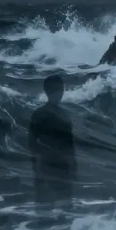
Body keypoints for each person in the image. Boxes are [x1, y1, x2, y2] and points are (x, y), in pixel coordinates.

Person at [28, 74, 76, 208]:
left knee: (55, 206)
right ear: (48, 91)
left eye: (61, 89)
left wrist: (73, 164)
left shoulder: (58, 114)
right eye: (58, 90)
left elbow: (69, 144)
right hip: (51, 165)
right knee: (54, 206)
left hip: (55, 165)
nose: (60, 93)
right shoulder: (54, 115)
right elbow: (32, 143)